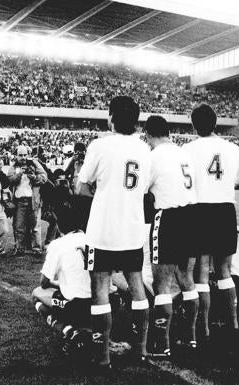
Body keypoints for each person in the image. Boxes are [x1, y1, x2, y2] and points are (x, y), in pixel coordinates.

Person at [182, 104, 239, 344]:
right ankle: (233, 322)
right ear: (215, 123)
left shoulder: (188, 149)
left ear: (194, 125)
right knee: (225, 271)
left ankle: (204, 328)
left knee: (202, 273)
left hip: (199, 211)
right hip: (224, 210)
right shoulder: (232, 148)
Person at [77, 96, 151, 369]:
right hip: (132, 229)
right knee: (137, 287)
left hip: (103, 230)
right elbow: (144, 190)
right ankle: (142, 350)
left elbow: (81, 187)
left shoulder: (100, 145)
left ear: (110, 118)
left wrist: (101, 192)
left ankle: (103, 356)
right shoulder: (144, 149)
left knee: (100, 290)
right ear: (136, 120)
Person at [143, 115, 198, 357]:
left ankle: (161, 343)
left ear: (148, 134)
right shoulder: (183, 152)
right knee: (187, 280)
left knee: (162, 283)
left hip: (168, 217)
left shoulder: (153, 156)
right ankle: (190, 337)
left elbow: (142, 190)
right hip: (192, 215)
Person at [31, 204, 90, 355]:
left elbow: (43, 282)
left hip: (77, 305)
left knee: (37, 294)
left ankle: (70, 332)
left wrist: (57, 284)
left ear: (59, 225)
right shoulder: (92, 239)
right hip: (104, 302)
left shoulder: (57, 244)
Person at [7, 146, 47, 257]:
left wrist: (34, 177)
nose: (23, 157)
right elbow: (9, 179)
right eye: (20, 155)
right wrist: (20, 174)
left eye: (25, 155)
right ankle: (20, 248)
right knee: (19, 227)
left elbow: (44, 178)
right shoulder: (13, 166)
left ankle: (37, 249)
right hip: (19, 201)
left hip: (33, 200)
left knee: (35, 227)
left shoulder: (34, 164)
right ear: (16, 156)